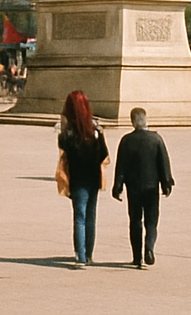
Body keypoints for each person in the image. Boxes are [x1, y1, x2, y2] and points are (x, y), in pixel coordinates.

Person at [112, 107, 174, 269]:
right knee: (151, 222)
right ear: (145, 120)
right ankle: (149, 247)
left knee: (135, 221)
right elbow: (163, 163)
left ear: (132, 122)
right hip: (151, 188)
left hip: (133, 188)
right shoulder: (156, 139)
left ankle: (137, 257)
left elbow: (121, 167)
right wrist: (166, 183)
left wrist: (117, 186)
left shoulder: (126, 141)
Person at [57, 91, 108, 267]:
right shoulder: (95, 132)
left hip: (77, 179)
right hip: (93, 178)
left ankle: (80, 255)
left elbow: (63, 150)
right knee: (90, 216)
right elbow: (104, 154)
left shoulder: (69, 134)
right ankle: (88, 254)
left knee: (79, 216)